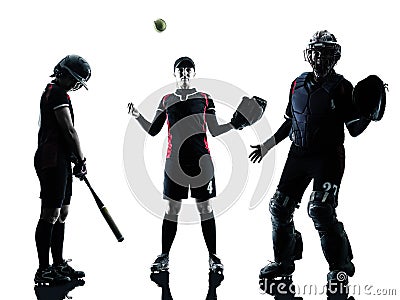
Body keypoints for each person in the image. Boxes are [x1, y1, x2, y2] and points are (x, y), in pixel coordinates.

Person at [249, 30, 372, 291]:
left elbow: (354, 129)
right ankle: (284, 262)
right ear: (309, 54)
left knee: (320, 210)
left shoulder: (342, 86)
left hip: (328, 156)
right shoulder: (297, 83)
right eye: (316, 51)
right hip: (299, 152)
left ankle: (340, 267)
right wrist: (266, 145)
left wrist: (368, 114)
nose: (320, 57)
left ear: (335, 56)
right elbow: (290, 121)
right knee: (279, 208)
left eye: (325, 52)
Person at [128, 57, 241, 274]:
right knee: (172, 210)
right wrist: (137, 116)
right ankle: (164, 257)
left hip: (202, 162)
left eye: (188, 70)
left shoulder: (205, 98)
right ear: (175, 74)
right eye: (180, 70)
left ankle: (213, 257)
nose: (184, 73)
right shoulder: (166, 100)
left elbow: (215, 130)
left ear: (194, 73)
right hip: (174, 163)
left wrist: (235, 124)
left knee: (206, 209)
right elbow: (153, 131)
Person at [34, 54, 91, 284]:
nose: (78, 85)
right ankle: (43, 269)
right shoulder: (56, 92)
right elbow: (69, 130)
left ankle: (58, 264)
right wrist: (81, 158)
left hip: (62, 159)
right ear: (64, 73)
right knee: (50, 214)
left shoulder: (59, 92)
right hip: (52, 158)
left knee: (62, 214)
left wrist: (74, 160)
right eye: (76, 79)